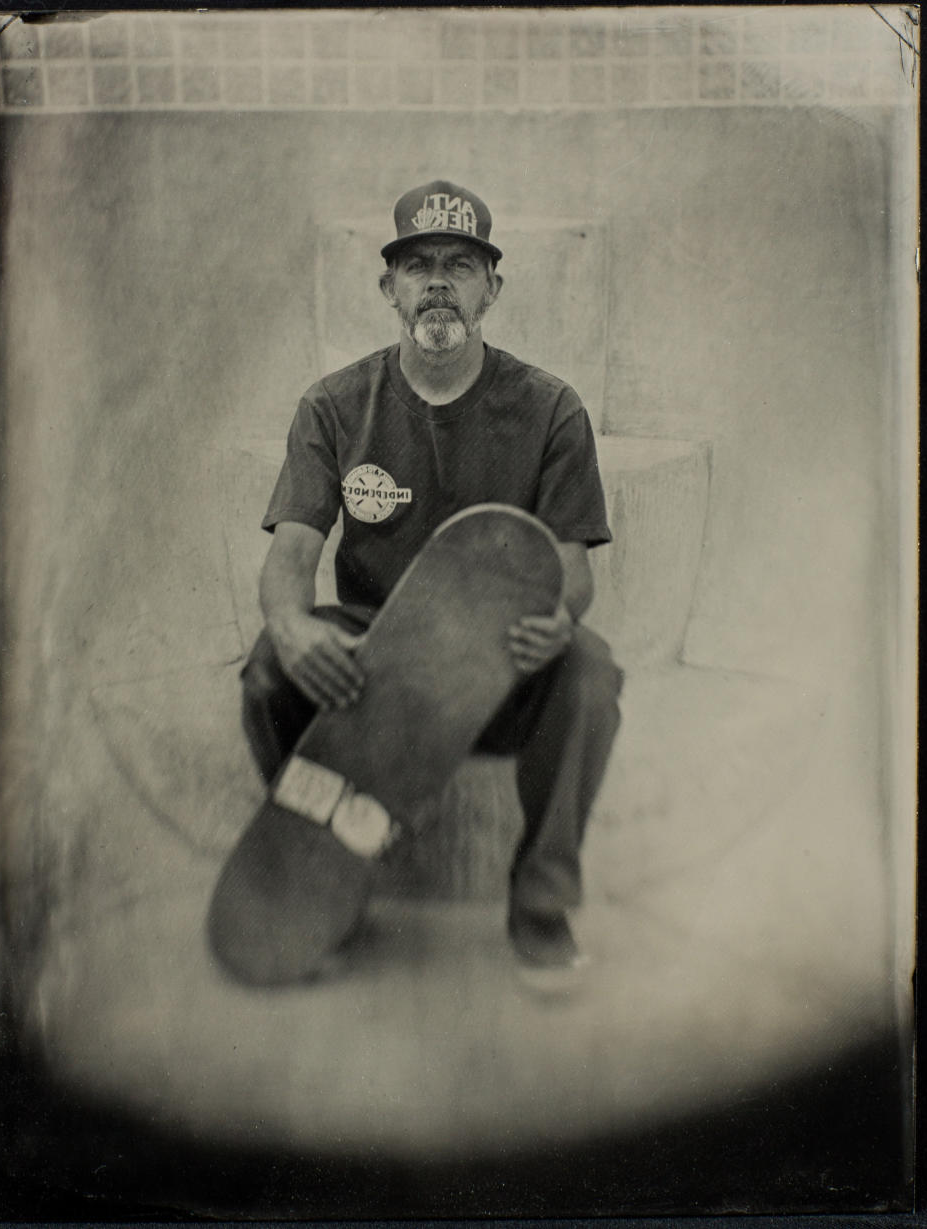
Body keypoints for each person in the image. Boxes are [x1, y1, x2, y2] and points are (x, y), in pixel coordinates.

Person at [241, 180, 623, 970]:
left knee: (587, 669)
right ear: (390, 288)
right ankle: (327, 868)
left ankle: (541, 906)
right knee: (268, 668)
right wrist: (293, 624)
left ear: (493, 288)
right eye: (419, 264)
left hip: (496, 666)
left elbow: (571, 569)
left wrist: (558, 616)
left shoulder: (551, 408)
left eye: (462, 263)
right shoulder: (335, 405)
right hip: (375, 664)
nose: (440, 280)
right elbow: (290, 561)